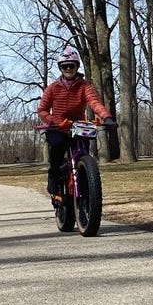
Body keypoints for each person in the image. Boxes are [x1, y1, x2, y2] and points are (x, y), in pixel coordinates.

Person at [37, 47, 115, 196]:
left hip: (78, 125)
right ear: (60, 68)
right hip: (57, 126)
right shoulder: (52, 88)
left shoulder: (84, 86)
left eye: (71, 65)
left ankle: (86, 181)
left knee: (83, 151)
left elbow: (94, 102)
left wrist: (106, 117)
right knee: (57, 148)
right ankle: (54, 176)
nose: (68, 69)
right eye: (64, 66)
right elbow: (42, 110)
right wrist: (52, 120)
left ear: (76, 66)